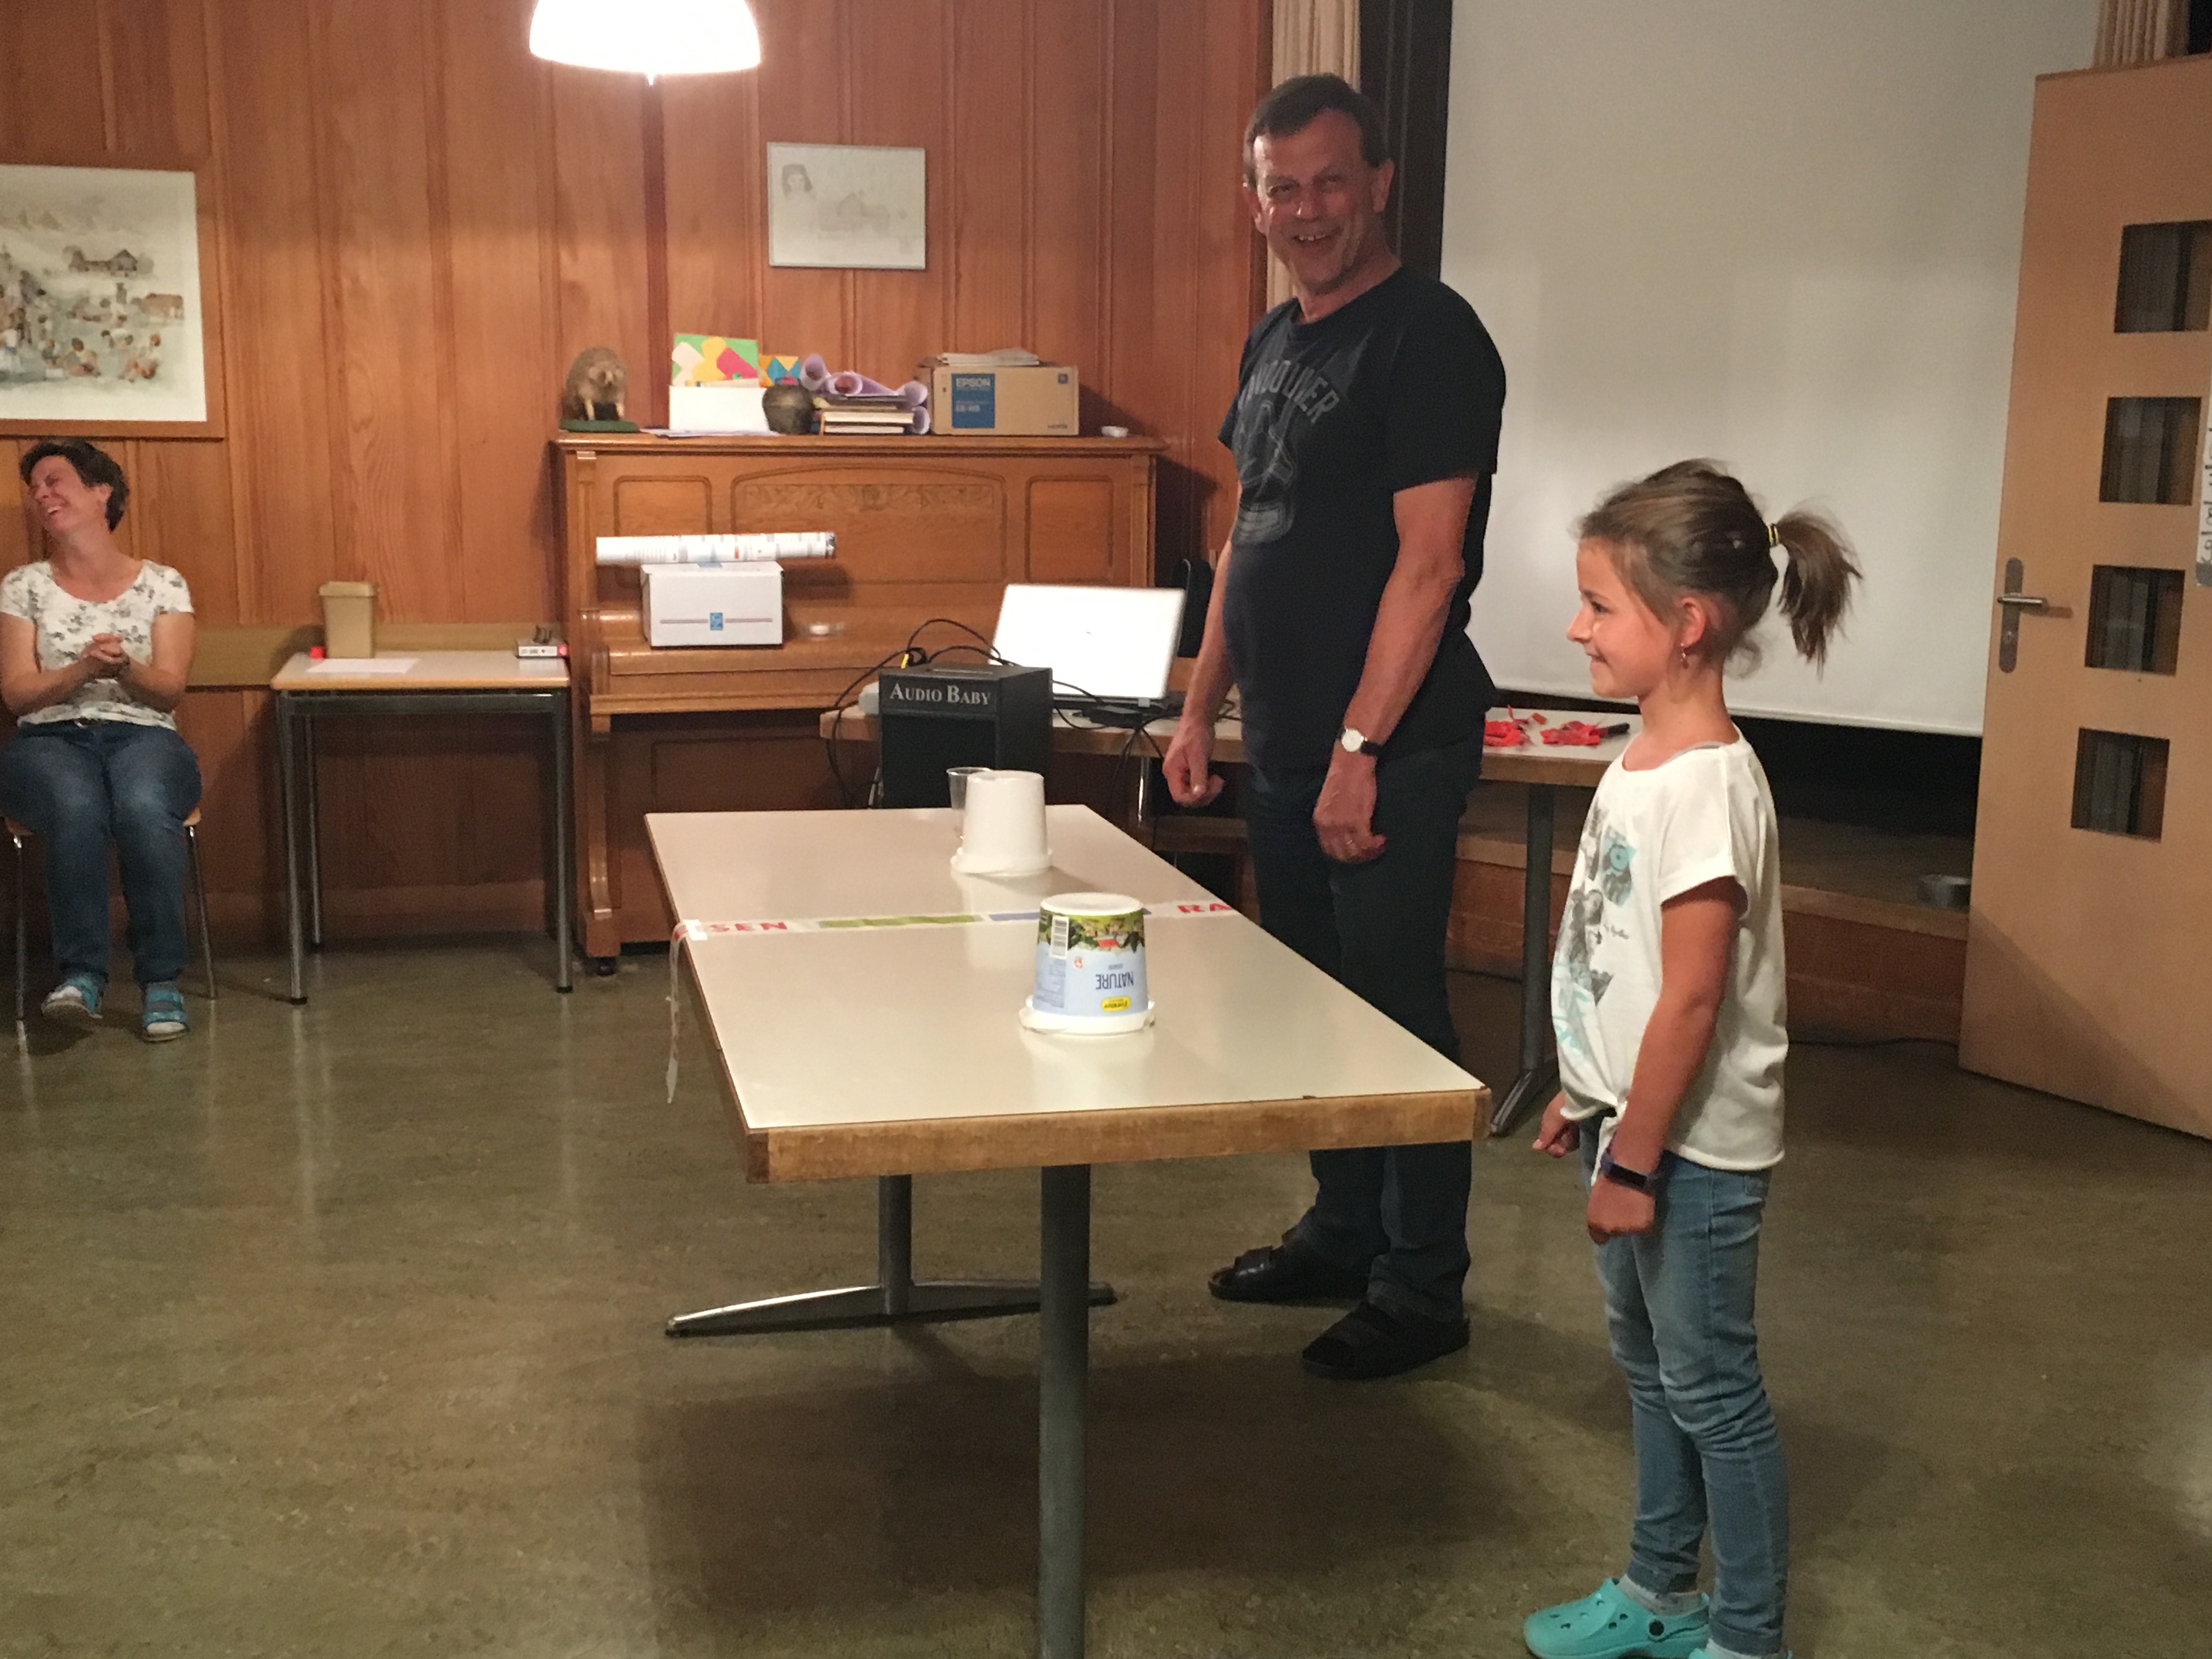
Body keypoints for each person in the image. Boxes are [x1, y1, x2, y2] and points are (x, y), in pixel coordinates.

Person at [1163, 73, 1508, 1380]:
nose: (1305, 211)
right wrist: (1201, 709)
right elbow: (1246, 541)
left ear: (1378, 185)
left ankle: (1422, 1288)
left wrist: (1360, 753)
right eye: (1281, 189)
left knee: (1396, 1014)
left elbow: (1432, 565)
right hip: (1284, 746)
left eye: (1327, 182)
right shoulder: (1274, 340)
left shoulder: (1431, 337)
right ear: (1254, 202)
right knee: (1314, 1007)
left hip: (1391, 751)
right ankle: (1344, 1230)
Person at [1523, 460, 1860, 1659]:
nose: (1577, 628)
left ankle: (1749, 1634)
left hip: (1690, 1154)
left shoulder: (1709, 785)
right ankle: (1660, 1589)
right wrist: (1584, 1092)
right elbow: (1618, 957)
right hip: (1630, 1126)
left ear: (1687, 624)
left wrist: (1636, 1160)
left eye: (1598, 606)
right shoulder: (1643, 759)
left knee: (1712, 1387)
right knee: (1651, 1369)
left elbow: (1694, 994)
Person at [1, 439, 201, 1040]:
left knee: (143, 806)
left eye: (55, 480)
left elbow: (168, 691)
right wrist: (82, 670)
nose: (42, 494)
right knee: (74, 806)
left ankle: (161, 981)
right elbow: (17, 695)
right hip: (49, 740)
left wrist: (125, 669)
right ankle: (82, 976)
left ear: (100, 492)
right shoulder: (23, 586)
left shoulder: (163, 584)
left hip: (144, 736)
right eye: (35, 487)